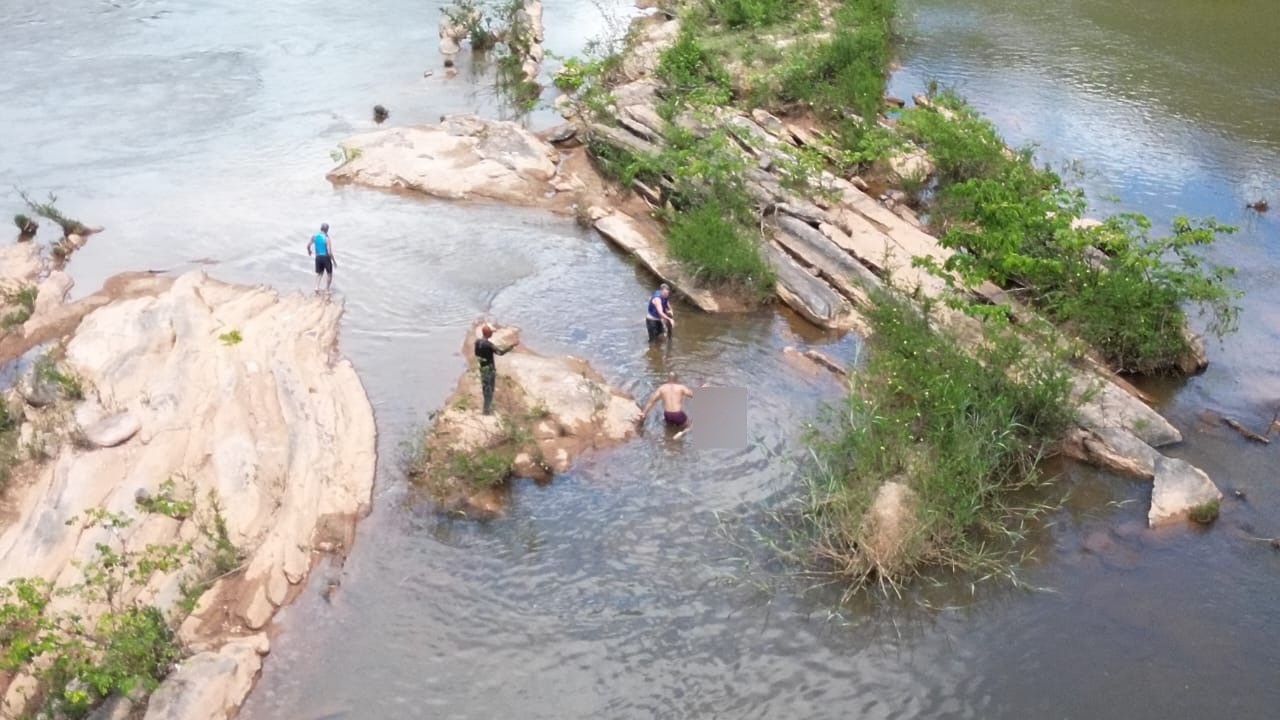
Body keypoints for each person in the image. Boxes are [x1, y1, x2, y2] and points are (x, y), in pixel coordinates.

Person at [475, 324, 519, 415]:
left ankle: (485, 407)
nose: (492, 333)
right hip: (490, 368)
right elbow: (500, 352)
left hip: (482, 367)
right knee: (490, 389)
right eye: (491, 332)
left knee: (485, 387)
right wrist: (511, 346)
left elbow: (477, 354)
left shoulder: (477, 342)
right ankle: (486, 410)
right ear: (489, 334)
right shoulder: (488, 345)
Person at [640, 372, 693, 437]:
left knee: (669, 430)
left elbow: (651, 402)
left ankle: (669, 441)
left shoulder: (662, 388)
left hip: (667, 415)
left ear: (667, 379)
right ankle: (682, 433)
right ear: (677, 379)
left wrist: (644, 413)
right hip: (678, 414)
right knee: (690, 425)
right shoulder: (681, 387)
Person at [306, 223, 335, 294]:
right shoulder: (326, 238)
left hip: (318, 257)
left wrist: (309, 251)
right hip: (325, 257)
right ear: (327, 230)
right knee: (329, 274)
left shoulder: (314, 236)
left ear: (320, 228)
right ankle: (327, 289)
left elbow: (308, 245)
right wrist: (334, 261)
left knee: (319, 273)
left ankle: (316, 287)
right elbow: (329, 252)